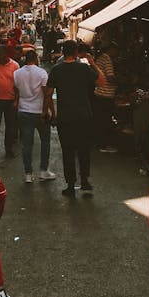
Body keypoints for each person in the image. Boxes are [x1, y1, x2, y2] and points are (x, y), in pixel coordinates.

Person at [44, 39, 105, 197]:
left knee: (68, 151)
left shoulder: (56, 70)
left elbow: (48, 94)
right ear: (77, 52)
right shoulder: (84, 68)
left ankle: (70, 185)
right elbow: (101, 81)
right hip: (84, 116)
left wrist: (51, 112)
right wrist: (92, 63)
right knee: (84, 150)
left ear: (63, 52)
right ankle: (85, 181)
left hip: (65, 118)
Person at [14, 49, 55, 183]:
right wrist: (49, 111)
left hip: (24, 111)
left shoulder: (17, 73)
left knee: (27, 144)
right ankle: (44, 171)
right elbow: (47, 94)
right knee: (45, 141)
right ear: (36, 59)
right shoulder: (42, 73)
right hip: (39, 112)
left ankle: (28, 174)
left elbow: (17, 91)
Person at [94, 40, 118, 152]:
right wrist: (120, 82)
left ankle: (99, 143)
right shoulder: (107, 59)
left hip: (99, 93)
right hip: (105, 94)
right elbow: (110, 77)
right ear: (111, 50)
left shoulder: (100, 58)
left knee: (101, 120)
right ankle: (103, 145)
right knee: (105, 120)